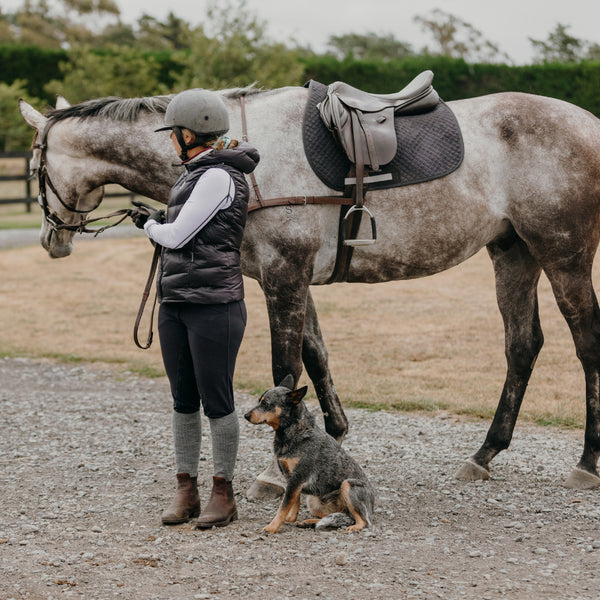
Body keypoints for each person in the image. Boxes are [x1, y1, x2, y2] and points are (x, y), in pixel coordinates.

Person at [131, 89, 260, 528]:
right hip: (178, 303)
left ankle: (223, 493)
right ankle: (186, 488)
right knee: (182, 400)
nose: (170, 141)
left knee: (217, 401)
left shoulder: (220, 176)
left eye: (173, 133)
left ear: (189, 133)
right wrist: (159, 224)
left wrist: (149, 224)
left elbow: (178, 236)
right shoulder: (193, 174)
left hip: (214, 306)